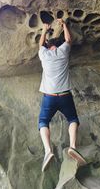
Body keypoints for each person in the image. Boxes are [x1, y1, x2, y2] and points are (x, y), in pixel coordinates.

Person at [38, 18, 86, 172]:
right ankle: (72, 147)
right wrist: (64, 25)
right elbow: (68, 39)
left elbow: (40, 44)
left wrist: (45, 29)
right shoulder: (63, 52)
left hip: (49, 97)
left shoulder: (44, 55)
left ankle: (48, 151)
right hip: (65, 95)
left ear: (47, 46)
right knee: (72, 119)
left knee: (43, 121)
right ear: (56, 46)